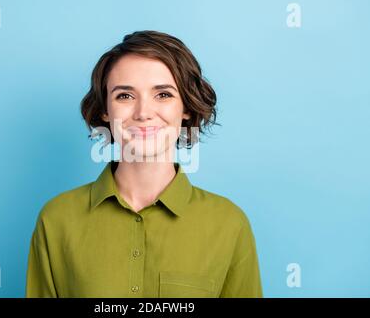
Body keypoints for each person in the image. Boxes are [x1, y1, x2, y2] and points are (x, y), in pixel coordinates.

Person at [26, 30, 263, 298]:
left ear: (185, 107)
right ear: (106, 109)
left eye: (163, 95)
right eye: (125, 96)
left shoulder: (229, 224)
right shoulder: (57, 219)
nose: (143, 113)